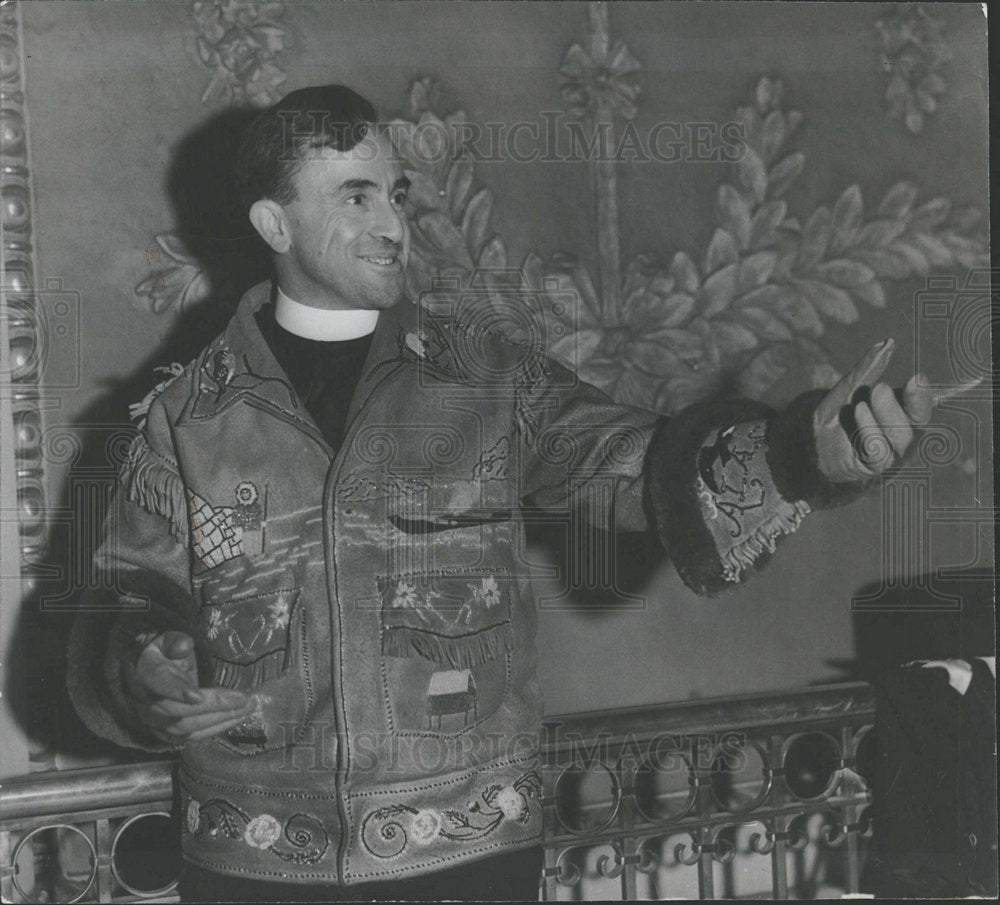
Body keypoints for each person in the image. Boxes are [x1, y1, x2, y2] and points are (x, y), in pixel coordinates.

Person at [68, 85, 934, 902]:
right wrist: (145, 662)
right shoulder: (184, 416)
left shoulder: (490, 379)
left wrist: (797, 458)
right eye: (356, 197)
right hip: (252, 860)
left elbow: (632, 465)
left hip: (467, 853)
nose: (392, 224)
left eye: (396, 195)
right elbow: (122, 597)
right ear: (274, 222)